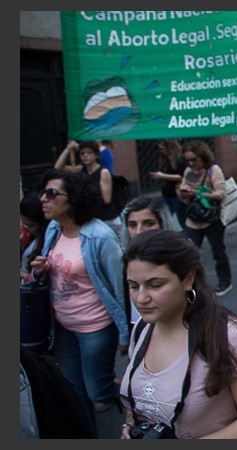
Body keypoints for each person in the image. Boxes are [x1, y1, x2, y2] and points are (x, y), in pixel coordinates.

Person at [119, 229, 237, 439]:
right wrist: (132, 425)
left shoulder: (231, 337)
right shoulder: (142, 329)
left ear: (188, 279)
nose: (141, 298)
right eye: (133, 286)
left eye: (155, 285)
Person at [30, 169, 129, 437]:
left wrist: (124, 333)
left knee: (99, 392)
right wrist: (42, 267)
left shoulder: (100, 236)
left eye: (51, 193)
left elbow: (119, 286)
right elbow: (54, 268)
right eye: (42, 193)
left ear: (73, 198)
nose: (43, 199)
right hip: (62, 326)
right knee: (73, 390)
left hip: (95, 328)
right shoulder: (53, 229)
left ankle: (137, 398)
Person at [177, 140, 232, 297]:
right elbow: (183, 192)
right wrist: (183, 192)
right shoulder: (188, 171)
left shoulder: (213, 170)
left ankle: (225, 280)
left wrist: (199, 193)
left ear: (202, 156)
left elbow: (221, 193)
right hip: (193, 219)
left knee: (218, 251)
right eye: (188, 160)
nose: (191, 163)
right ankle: (193, 283)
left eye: (194, 159)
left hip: (212, 218)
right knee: (189, 252)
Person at [119, 196, 183, 328]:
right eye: (132, 225)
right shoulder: (127, 259)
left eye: (148, 223)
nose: (139, 231)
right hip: (138, 326)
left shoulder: (179, 256)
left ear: (162, 224)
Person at [54, 140, 122, 239]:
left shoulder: (103, 172)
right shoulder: (81, 170)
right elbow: (58, 168)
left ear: (96, 155)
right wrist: (68, 149)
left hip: (108, 219)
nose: (85, 156)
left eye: (89, 153)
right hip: (94, 219)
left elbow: (106, 199)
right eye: (82, 153)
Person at [148, 139, 188, 230]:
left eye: (163, 149)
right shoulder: (164, 160)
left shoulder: (179, 159)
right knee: (163, 218)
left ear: (170, 148)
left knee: (183, 220)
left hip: (177, 195)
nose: (161, 151)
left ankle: (189, 239)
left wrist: (162, 175)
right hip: (166, 194)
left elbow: (181, 177)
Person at [20, 192, 50, 284]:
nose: (25, 228)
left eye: (30, 225)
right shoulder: (31, 239)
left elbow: (40, 281)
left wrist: (22, 274)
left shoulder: (47, 245)